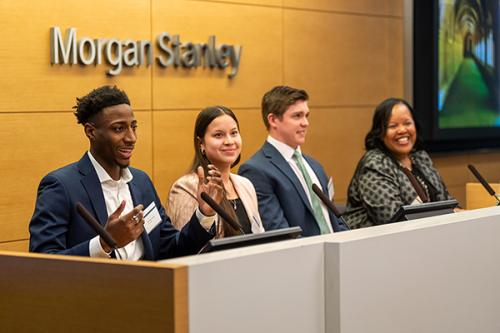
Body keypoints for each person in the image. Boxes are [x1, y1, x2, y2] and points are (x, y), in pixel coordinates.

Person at [29, 86, 223, 260]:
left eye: (134, 127)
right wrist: (104, 244)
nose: (131, 138)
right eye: (119, 128)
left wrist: (204, 214)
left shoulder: (142, 182)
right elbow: (42, 262)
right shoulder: (61, 186)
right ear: (91, 132)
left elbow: (171, 248)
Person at [238, 85, 348, 236]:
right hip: (303, 257)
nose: (305, 123)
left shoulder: (315, 166)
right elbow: (280, 232)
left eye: (306, 116)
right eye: (297, 116)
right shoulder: (256, 170)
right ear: (273, 120)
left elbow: (336, 220)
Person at [343, 97, 454, 229]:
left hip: (426, 235)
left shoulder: (421, 157)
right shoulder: (374, 164)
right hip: (378, 244)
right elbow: (392, 219)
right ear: (380, 132)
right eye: (393, 126)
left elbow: (447, 202)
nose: (402, 130)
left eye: (407, 123)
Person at [167, 106, 264, 237]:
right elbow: (183, 248)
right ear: (201, 143)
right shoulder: (186, 187)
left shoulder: (246, 185)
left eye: (234, 133)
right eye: (218, 135)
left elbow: (259, 237)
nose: (229, 141)